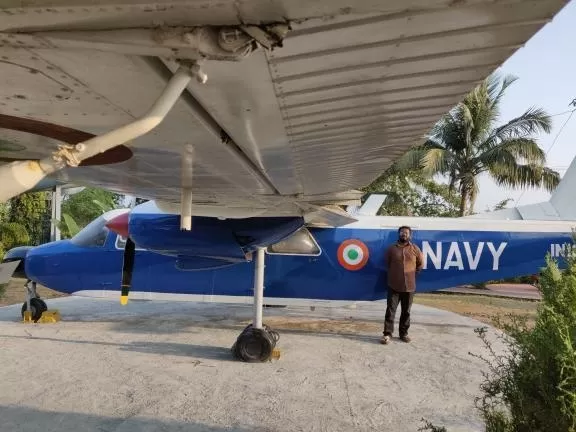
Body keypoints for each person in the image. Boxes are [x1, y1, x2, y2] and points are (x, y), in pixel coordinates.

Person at [381, 226, 423, 344]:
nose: (404, 234)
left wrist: (411, 275)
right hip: (393, 285)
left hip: (409, 287)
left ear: (410, 235)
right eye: (402, 232)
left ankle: (403, 334)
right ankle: (387, 334)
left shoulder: (415, 249)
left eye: (406, 233)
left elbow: (420, 264)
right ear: (398, 234)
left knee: (406, 311)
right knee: (390, 310)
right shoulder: (391, 249)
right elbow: (387, 263)